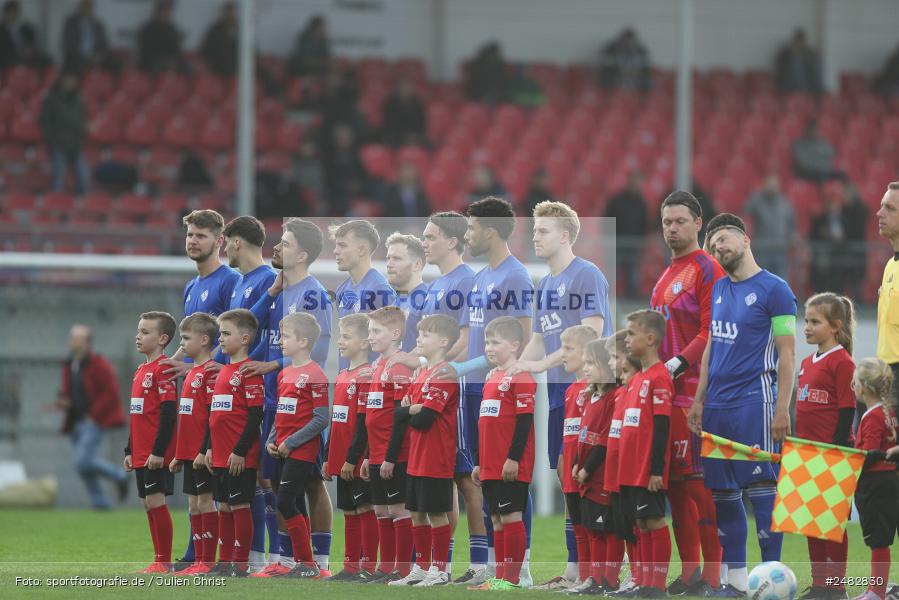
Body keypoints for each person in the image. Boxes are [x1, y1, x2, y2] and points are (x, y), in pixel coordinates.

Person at [688, 213, 797, 596]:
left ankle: (771, 579)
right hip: (717, 407)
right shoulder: (718, 289)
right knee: (723, 494)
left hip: (756, 403)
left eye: (723, 238)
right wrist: (699, 400)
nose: (718, 246)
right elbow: (711, 348)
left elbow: (787, 354)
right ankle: (735, 581)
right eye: (712, 242)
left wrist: (782, 408)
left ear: (745, 238)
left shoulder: (775, 289)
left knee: (763, 489)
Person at [508, 200, 612, 590]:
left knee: (591, 480)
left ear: (565, 235)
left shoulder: (587, 275)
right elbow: (538, 337)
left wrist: (537, 366)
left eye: (543, 230)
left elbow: (592, 336)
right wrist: (515, 365)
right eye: (534, 230)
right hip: (558, 398)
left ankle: (602, 568)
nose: (535, 236)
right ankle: (575, 568)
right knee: (568, 480)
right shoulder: (546, 284)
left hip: (588, 393)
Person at [435, 197, 535, 587]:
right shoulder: (481, 278)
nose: (468, 234)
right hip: (477, 391)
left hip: (502, 393)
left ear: (490, 231)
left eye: (472, 228)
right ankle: (496, 567)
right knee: (488, 478)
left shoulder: (516, 277)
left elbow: (522, 342)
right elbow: (470, 339)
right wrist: (443, 369)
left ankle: (521, 569)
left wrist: (478, 371)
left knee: (511, 478)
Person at [386, 211, 488, 584]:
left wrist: (442, 370)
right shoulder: (436, 285)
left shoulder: (468, 281)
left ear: (452, 241)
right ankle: (434, 566)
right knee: (444, 481)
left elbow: (463, 338)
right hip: (435, 381)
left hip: (456, 387)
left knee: (464, 478)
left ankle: (477, 562)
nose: (425, 243)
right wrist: (418, 366)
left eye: (431, 237)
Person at [244, 218, 333, 573]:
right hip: (274, 399)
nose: (277, 247)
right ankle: (286, 557)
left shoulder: (313, 293)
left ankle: (320, 560)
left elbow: (321, 349)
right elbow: (252, 330)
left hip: (301, 402)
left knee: (310, 480)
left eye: (286, 243)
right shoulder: (280, 291)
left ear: (304, 254)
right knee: (275, 480)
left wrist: (274, 366)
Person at [651, 191, 725, 596]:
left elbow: (711, 329)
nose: (672, 228)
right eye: (666, 222)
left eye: (680, 221)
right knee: (675, 486)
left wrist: (678, 364)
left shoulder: (706, 267)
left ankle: (713, 575)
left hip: (695, 396)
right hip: (666, 397)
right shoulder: (666, 274)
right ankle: (690, 571)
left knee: (699, 485)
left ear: (698, 223)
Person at [161, 209, 239, 569]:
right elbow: (190, 341)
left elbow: (233, 338)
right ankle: (198, 554)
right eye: (190, 235)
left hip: (220, 393)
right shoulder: (192, 286)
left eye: (201, 235)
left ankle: (237, 556)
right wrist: (165, 363)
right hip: (196, 391)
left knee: (222, 481)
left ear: (218, 241)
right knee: (197, 482)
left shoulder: (229, 281)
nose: (193, 241)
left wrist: (192, 365)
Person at [253, 313, 329, 579]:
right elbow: (282, 413)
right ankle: (303, 563)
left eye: (286, 337)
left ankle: (308, 564)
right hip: (282, 447)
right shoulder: (285, 374)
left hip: (302, 450)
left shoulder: (316, 373)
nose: (281, 341)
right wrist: (272, 440)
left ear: (304, 341)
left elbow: (321, 418)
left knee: (285, 501)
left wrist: (291, 442)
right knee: (293, 501)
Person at [388, 314, 461, 586]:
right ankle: (420, 567)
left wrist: (411, 410)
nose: (418, 339)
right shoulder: (421, 374)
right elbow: (401, 414)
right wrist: (411, 409)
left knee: (436, 513)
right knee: (417, 513)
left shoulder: (444, 374)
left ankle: (440, 569)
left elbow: (422, 419)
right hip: (417, 456)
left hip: (436, 457)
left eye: (425, 335)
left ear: (443, 341)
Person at [344, 306, 413, 583]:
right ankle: (384, 569)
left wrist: (390, 457)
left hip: (394, 453)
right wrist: (368, 455)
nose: (370, 337)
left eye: (376, 331)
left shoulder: (399, 367)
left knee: (398, 510)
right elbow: (372, 418)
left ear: (395, 333)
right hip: (375, 454)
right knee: (381, 510)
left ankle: (403, 569)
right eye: (370, 331)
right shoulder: (376, 367)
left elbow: (400, 418)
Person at [469, 317, 537, 590]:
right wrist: (479, 462)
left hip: (510, 463)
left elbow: (524, 422)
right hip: (489, 464)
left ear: (514, 345)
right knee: (496, 518)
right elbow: (487, 424)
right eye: (487, 342)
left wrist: (514, 458)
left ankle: (513, 579)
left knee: (511, 517)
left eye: (495, 342)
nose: (489, 347)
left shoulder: (521, 377)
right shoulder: (493, 377)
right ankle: (500, 577)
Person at [796, 293, 856, 600]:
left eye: (814, 322)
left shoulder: (842, 362)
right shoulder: (807, 362)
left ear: (835, 326)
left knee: (832, 526)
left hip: (831, 454)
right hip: (805, 455)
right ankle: (820, 585)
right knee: (811, 523)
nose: (806, 327)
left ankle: (836, 588)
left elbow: (847, 410)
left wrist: (835, 452)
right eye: (806, 320)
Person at [616, 310, 673, 599]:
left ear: (650, 339)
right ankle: (645, 584)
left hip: (646, 469)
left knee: (653, 520)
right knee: (640, 523)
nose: (627, 339)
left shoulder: (660, 376)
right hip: (630, 467)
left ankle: (657, 586)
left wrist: (655, 469)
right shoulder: (638, 378)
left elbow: (663, 425)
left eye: (631, 333)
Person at [205, 309, 264, 578]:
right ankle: (225, 561)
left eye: (226, 334)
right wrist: (208, 447)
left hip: (239, 456)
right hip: (219, 455)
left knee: (240, 506)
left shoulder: (249, 371)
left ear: (245, 338)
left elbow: (255, 415)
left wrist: (240, 451)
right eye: (220, 333)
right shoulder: (224, 370)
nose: (221, 339)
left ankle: (240, 564)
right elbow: (215, 414)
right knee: (224, 507)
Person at [124, 311, 178, 574]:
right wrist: (129, 449)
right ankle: (158, 559)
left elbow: (169, 414)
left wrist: (159, 451)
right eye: (138, 330)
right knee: (148, 502)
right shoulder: (141, 370)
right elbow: (137, 414)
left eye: (145, 332)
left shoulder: (163, 369)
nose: (138, 336)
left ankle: (164, 561)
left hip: (156, 453)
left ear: (162, 339)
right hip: (141, 451)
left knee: (156, 502)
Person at [325, 315, 379, 581]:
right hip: (340, 457)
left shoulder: (367, 375)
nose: (341, 342)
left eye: (346, 337)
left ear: (365, 342)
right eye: (340, 336)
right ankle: (350, 566)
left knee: (364, 509)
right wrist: (327, 456)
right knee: (348, 510)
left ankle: (368, 567)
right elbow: (337, 421)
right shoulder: (344, 375)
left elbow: (363, 423)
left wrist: (351, 458)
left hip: (356, 459)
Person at [572, 338, 624, 595]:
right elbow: (584, 436)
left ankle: (609, 580)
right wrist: (575, 463)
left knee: (608, 530)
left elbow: (604, 440)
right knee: (592, 527)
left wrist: (587, 469)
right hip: (586, 477)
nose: (587, 368)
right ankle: (595, 577)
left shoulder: (613, 398)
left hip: (602, 475)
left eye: (592, 363)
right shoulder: (591, 396)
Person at [168, 313, 219, 576]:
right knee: (193, 505)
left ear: (204, 340)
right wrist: (180, 454)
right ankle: (198, 560)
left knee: (205, 503)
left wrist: (204, 450)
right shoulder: (191, 373)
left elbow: (213, 417)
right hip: (189, 453)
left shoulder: (210, 373)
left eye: (186, 338)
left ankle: (207, 561)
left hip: (202, 453)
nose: (182, 343)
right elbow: (187, 419)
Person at [57, 324, 128, 511]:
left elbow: (111, 392)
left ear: (88, 343)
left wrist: (94, 415)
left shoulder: (99, 364)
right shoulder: (69, 364)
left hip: (93, 422)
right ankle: (100, 502)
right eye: (72, 338)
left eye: (78, 338)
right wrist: (63, 401)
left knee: (82, 461)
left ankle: (119, 475)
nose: (74, 342)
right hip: (75, 421)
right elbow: (71, 391)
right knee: (83, 465)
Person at [849, 358, 899, 600]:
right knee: (883, 538)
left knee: (878, 542)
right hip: (891, 480)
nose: (853, 385)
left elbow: (868, 454)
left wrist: (849, 458)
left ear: (864, 387)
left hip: (875, 484)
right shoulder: (888, 411)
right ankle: (875, 589)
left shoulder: (871, 417)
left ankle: (877, 593)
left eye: (855, 381)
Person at [555, 325, 599, 590]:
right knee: (579, 525)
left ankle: (599, 575)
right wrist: (564, 457)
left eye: (568, 349)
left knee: (594, 526)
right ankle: (584, 577)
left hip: (588, 469)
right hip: (571, 467)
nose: (562, 354)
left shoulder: (596, 388)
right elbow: (570, 430)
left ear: (587, 353)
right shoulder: (571, 389)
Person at [604, 333, 643, 595]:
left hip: (634, 472)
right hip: (615, 472)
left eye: (615, 357)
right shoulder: (617, 392)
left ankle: (642, 576)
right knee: (623, 526)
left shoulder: (637, 388)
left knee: (638, 525)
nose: (611, 363)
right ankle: (631, 575)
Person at [331, 219, 396, 370]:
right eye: (336, 245)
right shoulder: (342, 290)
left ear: (361, 250)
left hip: (370, 385)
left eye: (342, 245)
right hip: (346, 380)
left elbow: (396, 341)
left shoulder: (379, 288)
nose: (335, 251)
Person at [40, 70, 90, 195]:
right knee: (58, 177)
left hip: (76, 144)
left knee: (84, 177)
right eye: (67, 80)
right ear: (61, 81)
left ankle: (82, 204)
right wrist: (51, 138)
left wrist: (82, 131)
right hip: (59, 142)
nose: (70, 83)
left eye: (72, 80)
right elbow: (44, 121)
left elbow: (81, 120)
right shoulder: (52, 98)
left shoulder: (79, 99)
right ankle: (55, 204)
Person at [744, 174, 797, 282]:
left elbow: (792, 225)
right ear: (764, 185)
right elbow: (744, 215)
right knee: (761, 282)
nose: (772, 187)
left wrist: (792, 237)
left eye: (774, 184)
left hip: (780, 250)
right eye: (770, 184)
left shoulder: (785, 203)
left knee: (781, 283)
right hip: (762, 249)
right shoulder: (757, 201)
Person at [606, 171, 648, 298]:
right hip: (617, 244)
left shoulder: (642, 203)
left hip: (634, 246)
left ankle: (631, 303)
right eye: (635, 182)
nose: (637, 185)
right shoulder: (617, 201)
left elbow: (645, 224)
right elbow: (607, 220)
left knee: (632, 276)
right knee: (613, 275)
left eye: (639, 182)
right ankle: (607, 301)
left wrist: (642, 241)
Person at [876, 182, 899, 405]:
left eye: (890, 208)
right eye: (882, 206)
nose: (879, 213)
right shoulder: (891, 266)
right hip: (886, 374)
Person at [385, 233, 428, 353]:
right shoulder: (396, 302)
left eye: (396, 258)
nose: (389, 264)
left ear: (417, 264)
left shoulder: (428, 300)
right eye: (388, 258)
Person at [322, 124, 370, 217]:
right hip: (336, 195)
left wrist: (359, 184)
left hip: (357, 194)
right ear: (336, 139)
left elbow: (363, 176)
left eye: (347, 137)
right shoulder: (329, 157)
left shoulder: (356, 156)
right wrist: (346, 186)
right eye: (342, 137)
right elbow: (328, 179)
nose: (345, 140)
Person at [62, 0, 117, 73]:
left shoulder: (98, 24)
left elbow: (105, 44)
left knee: (116, 63)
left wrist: (99, 56)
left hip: (96, 57)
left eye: (90, 7)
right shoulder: (71, 22)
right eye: (85, 7)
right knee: (75, 63)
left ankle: (111, 84)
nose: (88, 9)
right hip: (78, 57)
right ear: (80, 8)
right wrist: (86, 57)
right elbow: (69, 44)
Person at [810, 191, 848, 294]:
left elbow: (850, 236)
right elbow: (813, 236)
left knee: (837, 285)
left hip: (838, 257)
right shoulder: (820, 219)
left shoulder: (843, 220)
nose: (834, 208)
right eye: (832, 206)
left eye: (836, 206)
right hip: (824, 258)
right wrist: (826, 235)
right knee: (823, 284)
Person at [138, 0, 185, 74]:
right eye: (164, 11)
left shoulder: (172, 29)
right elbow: (146, 51)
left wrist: (174, 59)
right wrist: (163, 60)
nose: (166, 14)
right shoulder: (148, 29)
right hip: (151, 61)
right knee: (162, 67)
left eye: (168, 12)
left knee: (186, 67)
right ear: (157, 12)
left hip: (170, 61)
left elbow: (176, 50)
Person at [793, 119, 845, 185]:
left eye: (815, 129)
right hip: (808, 172)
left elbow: (831, 154)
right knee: (822, 177)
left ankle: (851, 194)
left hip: (823, 170)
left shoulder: (822, 142)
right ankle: (824, 194)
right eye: (811, 129)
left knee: (842, 175)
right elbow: (803, 163)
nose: (814, 132)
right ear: (807, 130)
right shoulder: (800, 143)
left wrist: (816, 158)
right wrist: (819, 159)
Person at [0, 0, 48, 69]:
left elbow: (33, 42)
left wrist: (29, 49)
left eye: (14, 12)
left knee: (45, 60)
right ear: (5, 14)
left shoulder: (26, 28)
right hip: (8, 59)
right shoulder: (1, 30)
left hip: (28, 57)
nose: (12, 15)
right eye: (10, 12)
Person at [381, 79, 427, 147]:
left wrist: (414, 135)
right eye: (404, 88)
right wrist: (404, 137)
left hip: (415, 135)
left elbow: (421, 122)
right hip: (396, 135)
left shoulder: (417, 104)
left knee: (428, 145)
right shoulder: (391, 104)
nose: (406, 91)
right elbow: (389, 124)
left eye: (408, 88)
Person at [775, 29, 822, 94]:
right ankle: (803, 89)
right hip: (788, 83)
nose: (801, 43)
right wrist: (796, 52)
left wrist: (809, 54)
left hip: (806, 83)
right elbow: (783, 70)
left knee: (817, 59)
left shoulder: (806, 50)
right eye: (799, 41)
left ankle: (817, 87)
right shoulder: (786, 51)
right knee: (796, 62)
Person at [199, 1, 237, 77]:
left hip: (239, 65)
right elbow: (205, 51)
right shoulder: (215, 30)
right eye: (228, 11)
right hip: (220, 66)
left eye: (232, 12)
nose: (230, 14)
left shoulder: (243, 30)